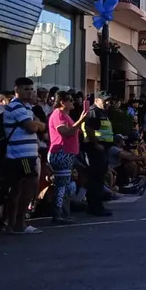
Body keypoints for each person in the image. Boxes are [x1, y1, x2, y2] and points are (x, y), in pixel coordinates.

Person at [3, 77, 47, 233]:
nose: (29, 92)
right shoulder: (16, 107)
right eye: (25, 89)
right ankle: (19, 223)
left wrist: (37, 124)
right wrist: (37, 125)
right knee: (29, 185)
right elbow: (32, 127)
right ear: (17, 89)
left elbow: (41, 125)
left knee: (19, 189)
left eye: (30, 89)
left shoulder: (27, 107)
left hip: (27, 154)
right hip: (20, 155)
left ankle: (13, 223)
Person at [48, 92, 88, 224]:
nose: (72, 102)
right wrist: (80, 121)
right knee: (62, 185)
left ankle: (64, 213)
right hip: (61, 152)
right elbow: (65, 132)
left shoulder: (65, 115)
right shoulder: (59, 114)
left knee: (65, 184)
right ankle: (58, 214)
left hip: (67, 153)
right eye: (69, 100)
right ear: (62, 102)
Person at [82, 92, 114, 217]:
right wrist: (96, 144)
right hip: (95, 149)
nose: (107, 103)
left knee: (99, 179)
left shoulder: (102, 112)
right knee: (96, 179)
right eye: (105, 100)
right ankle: (95, 207)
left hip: (102, 148)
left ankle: (97, 205)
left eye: (108, 100)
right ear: (97, 100)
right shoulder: (93, 112)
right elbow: (89, 129)